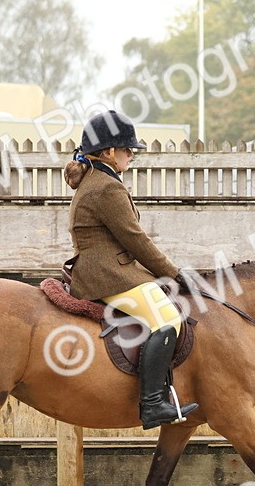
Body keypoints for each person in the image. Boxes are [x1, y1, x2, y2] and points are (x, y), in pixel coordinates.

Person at [64, 110, 199, 430]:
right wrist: (175, 273)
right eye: (128, 149)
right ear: (109, 152)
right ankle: (152, 404)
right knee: (167, 318)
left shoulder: (97, 179)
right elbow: (136, 240)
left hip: (107, 268)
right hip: (106, 275)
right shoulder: (106, 187)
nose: (131, 154)